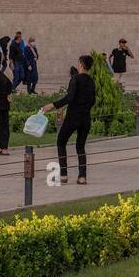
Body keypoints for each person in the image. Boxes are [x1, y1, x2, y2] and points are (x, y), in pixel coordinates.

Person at [44, 54, 95, 184]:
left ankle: (64, 175)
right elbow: (92, 100)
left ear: (82, 64)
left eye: (79, 63)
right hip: (85, 118)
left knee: (61, 142)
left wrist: (53, 105)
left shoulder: (75, 78)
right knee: (80, 146)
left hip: (73, 117)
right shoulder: (91, 81)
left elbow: (69, 97)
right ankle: (82, 177)